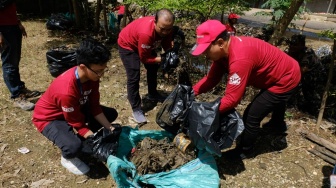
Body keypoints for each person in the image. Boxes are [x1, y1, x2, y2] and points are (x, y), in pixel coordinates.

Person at [190, 20, 301, 159]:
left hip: (285, 78)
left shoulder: (239, 59)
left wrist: (206, 113)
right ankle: (277, 124)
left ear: (220, 43)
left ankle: (246, 150)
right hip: (277, 72)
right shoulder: (222, 54)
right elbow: (211, 79)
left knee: (251, 116)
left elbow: (232, 100)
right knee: (271, 103)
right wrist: (191, 92)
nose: (204, 55)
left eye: (206, 50)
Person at [32, 38, 119, 175]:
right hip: (50, 118)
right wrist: (95, 140)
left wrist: (110, 128)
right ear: (83, 67)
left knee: (110, 115)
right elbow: (76, 123)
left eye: (103, 70)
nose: (101, 74)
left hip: (74, 108)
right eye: (99, 71)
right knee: (73, 147)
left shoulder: (92, 77)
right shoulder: (66, 89)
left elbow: (95, 106)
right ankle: (68, 157)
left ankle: (78, 140)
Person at [118, 8, 176, 124]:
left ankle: (152, 93)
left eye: (168, 29)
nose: (165, 32)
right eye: (162, 29)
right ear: (155, 22)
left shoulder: (167, 29)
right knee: (134, 75)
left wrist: (171, 53)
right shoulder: (146, 33)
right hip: (128, 45)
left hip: (145, 45)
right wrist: (163, 59)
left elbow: (166, 42)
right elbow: (144, 58)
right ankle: (136, 108)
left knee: (153, 68)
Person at [0, 1, 40, 111]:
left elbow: (10, 8)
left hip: (13, 27)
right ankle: (17, 96)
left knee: (14, 61)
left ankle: (20, 89)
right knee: (9, 64)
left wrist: (18, 23)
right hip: (4, 29)